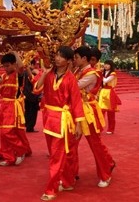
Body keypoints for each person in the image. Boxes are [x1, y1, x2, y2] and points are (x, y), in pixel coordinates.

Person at [35, 46, 85, 201]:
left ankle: (51, 189)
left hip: (64, 121)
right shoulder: (49, 74)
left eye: (61, 56)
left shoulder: (71, 79)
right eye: (56, 55)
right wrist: (44, 72)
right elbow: (36, 89)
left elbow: (76, 102)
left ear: (69, 61)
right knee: (59, 153)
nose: (57, 58)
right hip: (49, 119)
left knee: (56, 156)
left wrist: (78, 124)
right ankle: (68, 181)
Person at [73, 46, 115, 188]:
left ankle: (105, 173)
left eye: (76, 57)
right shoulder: (78, 70)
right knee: (72, 144)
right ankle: (71, 173)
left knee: (95, 145)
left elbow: (73, 86)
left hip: (89, 111)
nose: (74, 60)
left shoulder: (92, 73)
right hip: (77, 110)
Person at [0, 52, 31, 166]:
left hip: (14, 106)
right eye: (4, 66)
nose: (5, 68)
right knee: (4, 132)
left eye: (7, 65)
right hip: (5, 106)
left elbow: (21, 66)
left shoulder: (18, 74)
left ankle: (21, 151)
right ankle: (8, 154)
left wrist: (14, 52)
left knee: (9, 132)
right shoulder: (4, 76)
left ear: (14, 64)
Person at [98, 60, 121, 134]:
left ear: (111, 65)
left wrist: (100, 74)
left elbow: (106, 80)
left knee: (110, 113)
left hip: (109, 93)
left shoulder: (113, 73)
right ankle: (100, 127)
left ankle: (111, 129)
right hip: (103, 92)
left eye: (107, 64)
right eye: (105, 64)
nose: (105, 66)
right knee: (100, 112)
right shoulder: (103, 72)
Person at [23, 59, 42, 132]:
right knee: (33, 111)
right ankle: (30, 127)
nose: (37, 66)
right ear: (32, 64)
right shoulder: (33, 72)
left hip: (26, 94)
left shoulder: (25, 72)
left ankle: (27, 125)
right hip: (33, 94)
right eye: (36, 64)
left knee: (27, 110)